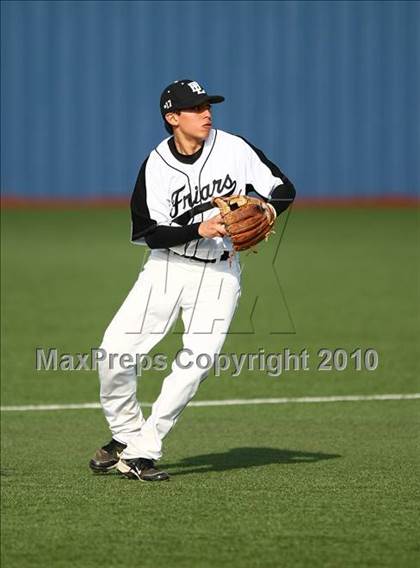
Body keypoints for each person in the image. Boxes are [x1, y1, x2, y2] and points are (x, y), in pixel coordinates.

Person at [89, 79, 296, 481]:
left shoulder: (233, 147)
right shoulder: (156, 165)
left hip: (220, 272)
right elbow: (148, 231)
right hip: (167, 267)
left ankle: (142, 451)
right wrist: (198, 229)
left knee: (195, 362)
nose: (206, 113)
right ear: (172, 118)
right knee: (113, 353)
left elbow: (283, 187)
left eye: (208, 106)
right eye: (195, 108)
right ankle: (127, 433)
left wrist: (268, 210)